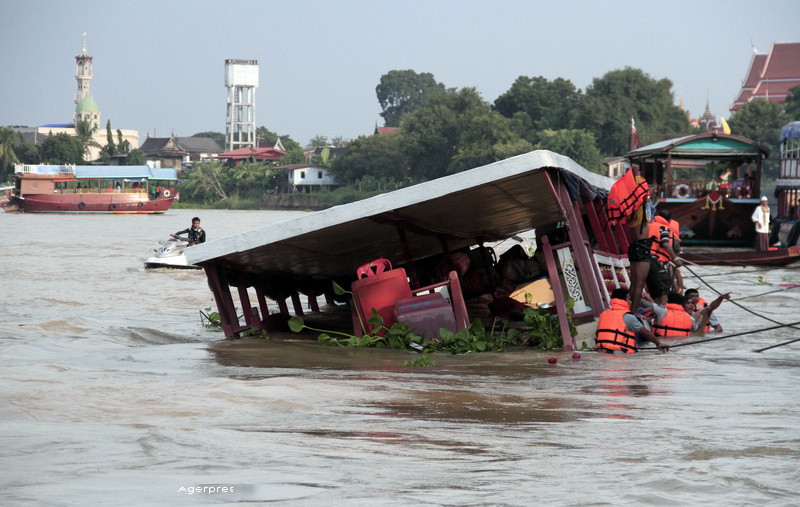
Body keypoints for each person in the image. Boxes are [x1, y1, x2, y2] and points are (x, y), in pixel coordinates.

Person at [607, 164, 651, 315]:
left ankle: (631, 308)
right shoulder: (638, 207)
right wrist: (636, 172)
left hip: (636, 246)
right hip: (643, 246)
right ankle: (634, 312)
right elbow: (639, 189)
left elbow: (637, 191)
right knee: (640, 283)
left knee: (635, 282)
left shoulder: (630, 210)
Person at [595, 288, 669, 353]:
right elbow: (645, 332)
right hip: (620, 353)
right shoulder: (628, 316)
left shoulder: (603, 315)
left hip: (601, 350)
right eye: (629, 299)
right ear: (624, 300)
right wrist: (658, 343)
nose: (630, 302)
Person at [646, 208, 683, 301]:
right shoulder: (663, 227)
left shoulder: (650, 225)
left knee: (654, 289)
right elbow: (665, 244)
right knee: (664, 289)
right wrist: (675, 259)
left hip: (645, 260)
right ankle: (664, 310)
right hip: (657, 261)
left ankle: (657, 309)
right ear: (670, 220)